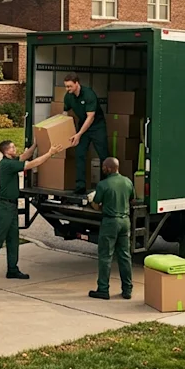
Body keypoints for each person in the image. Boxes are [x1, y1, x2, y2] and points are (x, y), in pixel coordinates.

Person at [0, 140, 61, 283]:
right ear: (6, 151)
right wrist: (50, 153)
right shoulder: (7, 164)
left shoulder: (12, 161)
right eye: (12, 147)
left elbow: (25, 156)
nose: (15, 149)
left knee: (13, 238)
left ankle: (12, 269)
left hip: (11, 206)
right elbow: (31, 164)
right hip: (4, 207)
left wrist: (35, 144)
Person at [89, 157, 134, 300]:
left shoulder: (103, 184)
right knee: (125, 256)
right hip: (125, 221)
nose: (102, 169)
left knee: (105, 256)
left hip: (110, 222)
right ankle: (127, 289)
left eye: (103, 167)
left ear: (108, 168)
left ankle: (103, 289)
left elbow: (96, 204)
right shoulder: (127, 181)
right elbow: (131, 198)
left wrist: (93, 202)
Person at [63, 73, 109, 194]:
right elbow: (65, 112)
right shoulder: (68, 96)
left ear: (77, 83)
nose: (67, 89)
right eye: (66, 86)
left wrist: (78, 135)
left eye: (69, 86)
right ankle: (80, 187)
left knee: (103, 155)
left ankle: (107, 185)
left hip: (97, 126)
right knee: (80, 154)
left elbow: (91, 117)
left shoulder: (89, 94)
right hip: (83, 125)